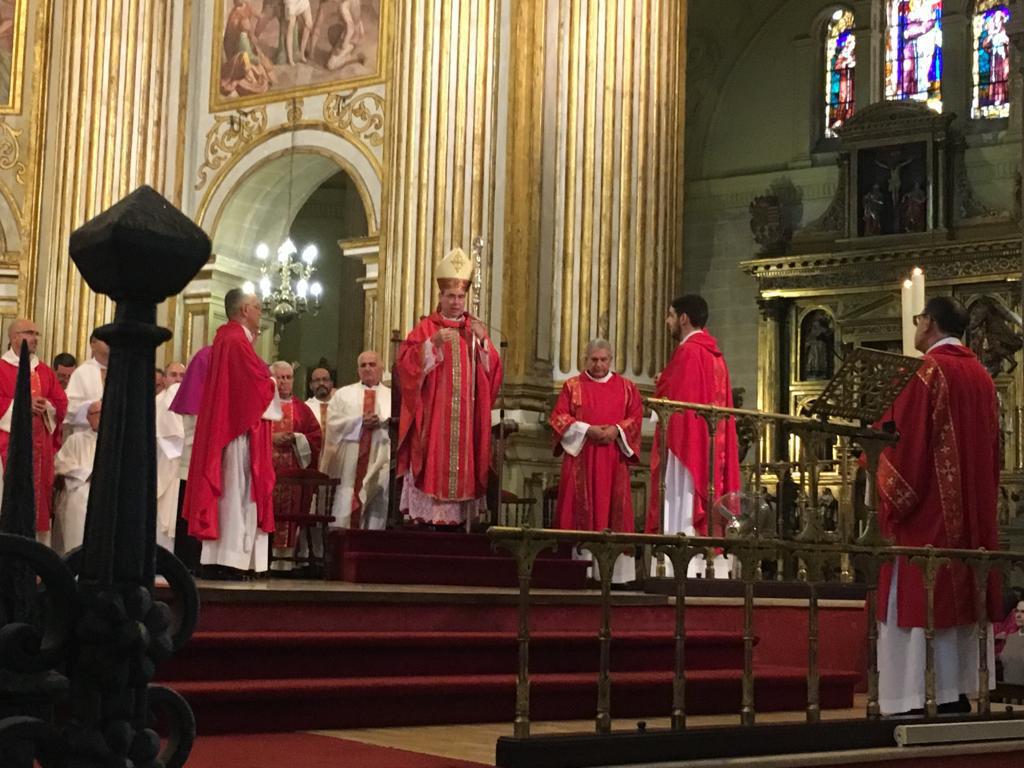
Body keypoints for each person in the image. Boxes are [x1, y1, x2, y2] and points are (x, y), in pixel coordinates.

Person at [875, 296, 1002, 715]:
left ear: (928, 322)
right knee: (960, 593)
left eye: (917, 319)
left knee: (925, 594)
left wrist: (872, 450)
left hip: (929, 515)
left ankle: (917, 693)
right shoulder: (982, 376)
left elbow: (903, 446)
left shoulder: (928, 372)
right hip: (974, 514)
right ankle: (958, 689)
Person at [396, 247, 502, 528]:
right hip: (434, 419)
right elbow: (405, 366)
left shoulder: (473, 329)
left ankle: (459, 523)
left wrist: (482, 343)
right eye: (451, 296)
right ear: (440, 297)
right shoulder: (426, 329)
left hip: (465, 422)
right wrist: (432, 346)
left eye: (460, 297)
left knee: (464, 465)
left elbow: (493, 373)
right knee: (433, 462)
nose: (456, 302)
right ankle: (430, 520)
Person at [183, 289, 280, 578]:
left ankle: (230, 558)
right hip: (236, 432)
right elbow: (254, 386)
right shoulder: (235, 340)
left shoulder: (228, 338)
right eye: (258, 307)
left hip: (233, 427)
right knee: (236, 493)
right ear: (244, 310)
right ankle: (229, 560)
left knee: (235, 493)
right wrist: (273, 381)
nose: (261, 312)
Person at [646, 295, 739, 578]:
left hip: (687, 449)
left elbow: (676, 404)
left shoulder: (688, 352)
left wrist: (662, 384)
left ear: (684, 318)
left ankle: (680, 567)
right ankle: (709, 567)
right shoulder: (714, 354)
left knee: (683, 500)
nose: (668, 322)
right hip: (710, 448)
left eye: (671, 316)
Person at [550, 339, 641, 583]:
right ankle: (581, 571)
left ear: (611, 359)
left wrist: (616, 430)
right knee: (581, 510)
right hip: (582, 456)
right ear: (585, 359)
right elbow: (559, 417)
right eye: (594, 360)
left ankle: (615, 576)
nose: (599, 365)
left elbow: (635, 417)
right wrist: (585, 429)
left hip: (613, 459)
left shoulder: (627, 387)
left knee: (613, 511)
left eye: (603, 359)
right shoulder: (573, 386)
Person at [0, 319, 68, 542]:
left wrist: (45, 406)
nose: (35, 338)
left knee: (38, 503)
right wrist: (21, 405)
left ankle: (36, 567)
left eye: (37, 333)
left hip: (40, 448)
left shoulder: (44, 371)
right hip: (6, 445)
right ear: (13, 337)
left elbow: (60, 402)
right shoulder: (1, 368)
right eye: (29, 332)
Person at [323, 350, 392, 530]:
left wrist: (383, 422)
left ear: (382, 368)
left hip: (380, 458)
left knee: (376, 504)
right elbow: (332, 423)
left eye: (372, 364)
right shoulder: (344, 394)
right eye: (363, 365)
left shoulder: (392, 396)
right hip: (350, 462)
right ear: (357, 370)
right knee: (347, 500)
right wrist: (359, 422)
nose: (368, 368)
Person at [269, 360, 322, 562]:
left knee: (291, 513)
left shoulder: (302, 409)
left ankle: (286, 560)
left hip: (293, 472)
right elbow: (251, 432)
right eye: (280, 377)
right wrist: (271, 438)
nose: (284, 382)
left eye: (288, 377)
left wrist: (297, 438)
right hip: (267, 472)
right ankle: (264, 559)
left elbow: (316, 436)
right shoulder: (262, 406)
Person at [53, 401, 101, 554]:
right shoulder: (76, 439)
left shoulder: (117, 441)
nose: (101, 417)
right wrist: (86, 474)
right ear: (88, 417)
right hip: (79, 489)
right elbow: (61, 463)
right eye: (96, 414)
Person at [155, 378, 185, 553]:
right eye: (174, 373)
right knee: (166, 505)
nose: (179, 378)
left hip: (181, 458)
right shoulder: (167, 397)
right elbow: (170, 431)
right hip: (169, 459)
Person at [64, 330, 109, 434]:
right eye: (105, 340)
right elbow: (69, 406)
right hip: (86, 433)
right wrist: (93, 407)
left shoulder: (121, 371)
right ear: (93, 344)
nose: (110, 343)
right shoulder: (82, 372)